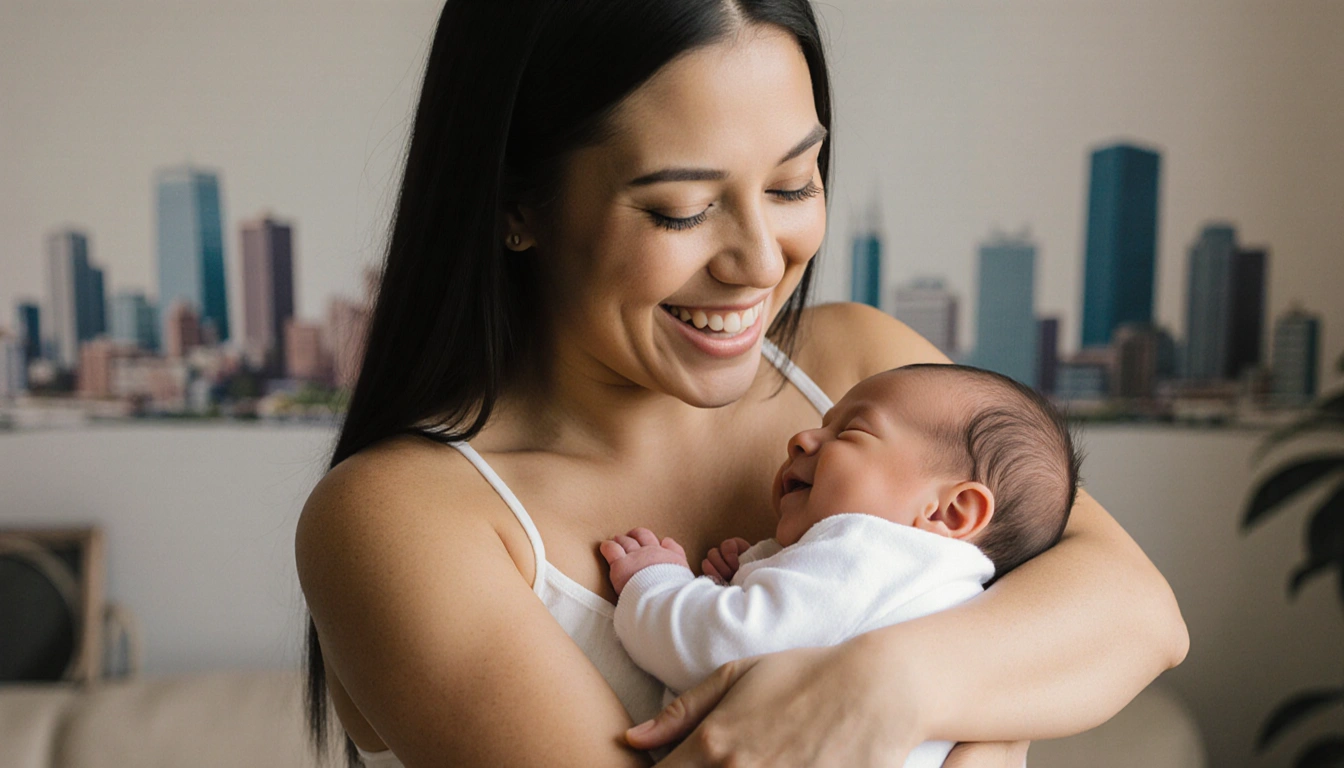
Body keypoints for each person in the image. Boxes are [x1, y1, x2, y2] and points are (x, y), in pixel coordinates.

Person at [293, 2, 1189, 766]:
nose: (761, 262)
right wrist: (996, 709)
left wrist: (889, 688)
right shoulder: (400, 516)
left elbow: (1139, 616)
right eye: (680, 210)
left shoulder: (860, 369)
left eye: (794, 184)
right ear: (517, 204)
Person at [600, 363, 1082, 767]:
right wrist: (748, 577)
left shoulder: (871, 551)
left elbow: (722, 644)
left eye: (851, 431)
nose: (801, 439)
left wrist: (656, 583)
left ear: (949, 512)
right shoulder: (951, 593)